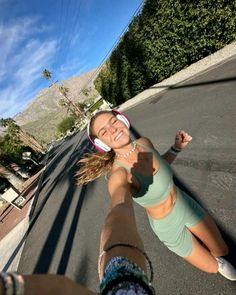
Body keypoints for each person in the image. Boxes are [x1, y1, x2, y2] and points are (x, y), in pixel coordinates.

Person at [76, 109, 236, 281]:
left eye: (113, 122)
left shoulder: (143, 143)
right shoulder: (120, 173)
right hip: (168, 227)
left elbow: (158, 169)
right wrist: (115, 259)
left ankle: (218, 256)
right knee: (212, 267)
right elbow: (120, 205)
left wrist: (176, 148)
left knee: (222, 250)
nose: (113, 129)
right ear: (103, 144)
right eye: (104, 131)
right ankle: (217, 264)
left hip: (186, 205)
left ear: (122, 120)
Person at [0, 180, 155, 295]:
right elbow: (60, 288)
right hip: (123, 274)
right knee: (120, 209)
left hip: (122, 275)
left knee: (120, 209)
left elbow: (61, 288)